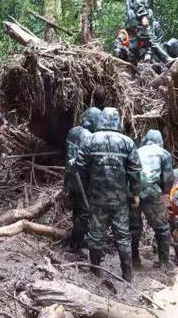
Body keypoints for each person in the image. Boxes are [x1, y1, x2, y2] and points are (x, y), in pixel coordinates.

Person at [75, 107, 141, 282]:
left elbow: (79, 166)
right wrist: (135, 193)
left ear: (102, 119)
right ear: (117, 120)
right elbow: (135, 171)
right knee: (123, 236)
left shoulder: (90, 140)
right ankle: (127, 275)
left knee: (96, 234)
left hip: (96, 198)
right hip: (120, 200)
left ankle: (96, 271)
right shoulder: (128, 142)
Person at [130, 129, 174, 269]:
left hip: (132, 191)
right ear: (159, 141)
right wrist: (165, 193)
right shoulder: (164, 153)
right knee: (162, 228)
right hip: (151, 192)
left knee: (133, 227)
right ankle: (164, 263)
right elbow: (168, 178)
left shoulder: (136, 150)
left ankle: (134, 258)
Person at [65, 107, 101, 251]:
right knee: (85, 212)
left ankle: (79, 239)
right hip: (81, 179)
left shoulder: (73, 131)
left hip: (70, 177)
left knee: (77, 209)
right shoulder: (88, 136)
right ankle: (74, 245)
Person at [125, 0, 173, 64]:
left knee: (134, 46)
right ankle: (166, 59)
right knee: (151, 39)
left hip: (131, 22)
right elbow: (138, 3)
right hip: (137, 21)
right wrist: (143, 16)